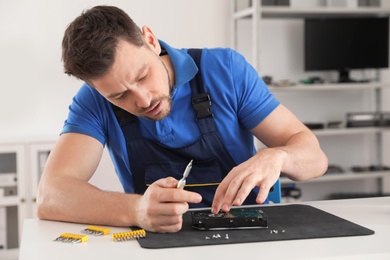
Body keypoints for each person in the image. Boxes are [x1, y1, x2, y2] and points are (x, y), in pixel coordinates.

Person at [36, 5, 328, 233]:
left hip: (251, 234)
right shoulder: (94, 102)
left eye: (142, 75)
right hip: (158, 241)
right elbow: (51, 195)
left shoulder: (225, 69)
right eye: (119, 96)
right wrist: (137, 210)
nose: (143, 99)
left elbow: (315, 159)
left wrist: (278, 157)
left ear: (150, 40)